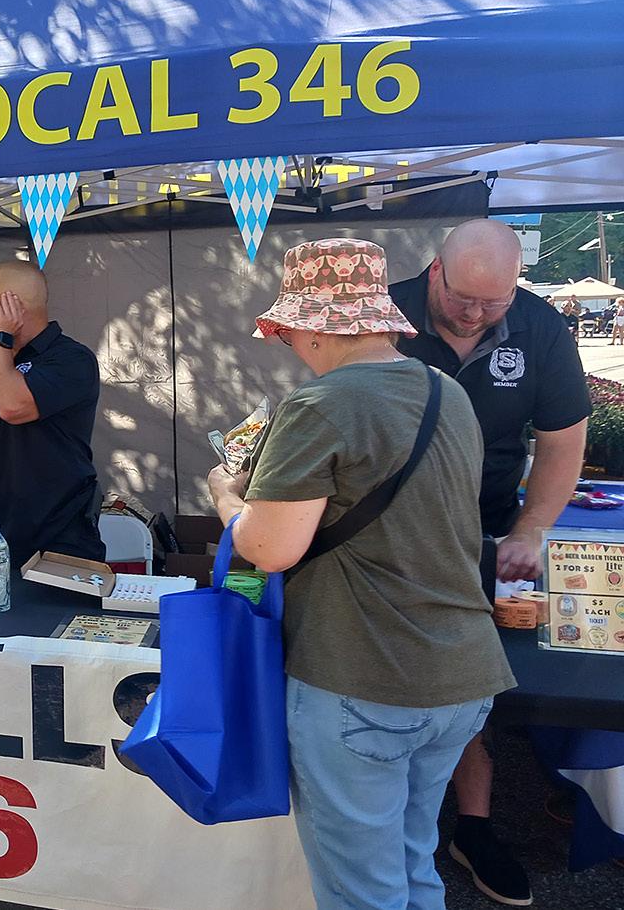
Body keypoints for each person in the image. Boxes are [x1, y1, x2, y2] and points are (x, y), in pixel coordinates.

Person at [208, 238, 514, 910]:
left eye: (288, 331)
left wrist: (226, 498)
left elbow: (270, 550)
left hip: (362, 676)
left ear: (315, 327)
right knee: (412, 863)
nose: (289, 344)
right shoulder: (447, 393)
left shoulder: (320, 404)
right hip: (461, 675)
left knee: (363, 893)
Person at [390, 219, 589, 906]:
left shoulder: (540, 328)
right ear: (434, 272)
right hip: (386, 531)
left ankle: (472, 828)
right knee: (387, 682)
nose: (475, 314)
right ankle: (386, 818)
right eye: (462, 298)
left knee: (472, 682)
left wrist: (531, 529)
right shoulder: (381, 312)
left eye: (493, 301)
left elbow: (562, 442)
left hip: (485, 524)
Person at [0, 260, 105, 563]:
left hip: (60, 544)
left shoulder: (72, 359)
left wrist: (0, 337)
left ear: (15, 307)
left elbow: (12, 407)